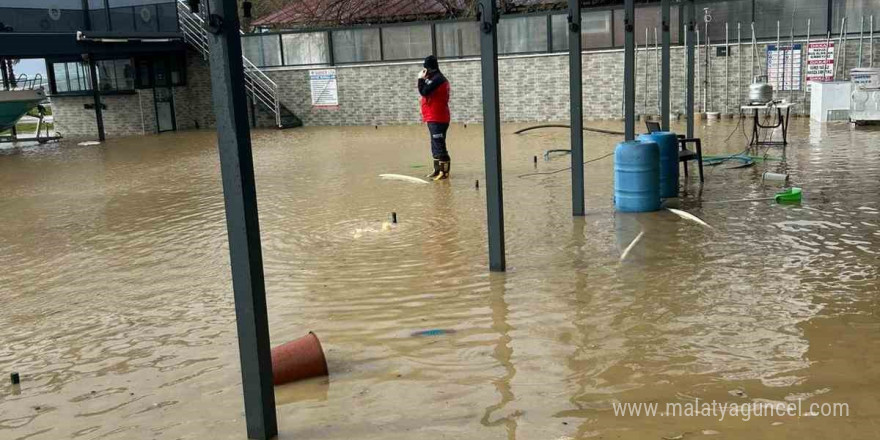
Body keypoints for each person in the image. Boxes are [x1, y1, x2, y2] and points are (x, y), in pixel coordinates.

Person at [418, 55, 451, 181]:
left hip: (438, 117)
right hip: (432, 117)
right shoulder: (434, 78)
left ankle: (444, 173)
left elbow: (424, 92)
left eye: (425, 68)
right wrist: (425, 79)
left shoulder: (438, 79)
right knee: (435, 144)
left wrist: (420, 79)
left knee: (439, 145)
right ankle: (437, 170)